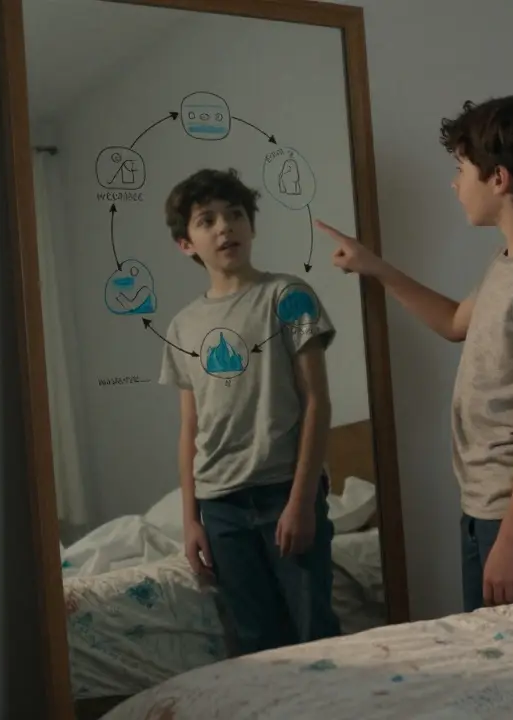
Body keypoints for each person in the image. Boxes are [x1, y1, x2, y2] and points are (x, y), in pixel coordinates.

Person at [315, 92, 513, 611]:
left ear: (499, 178)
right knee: (487, 646)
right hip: (490, 498)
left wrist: (512, 540)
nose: (454, 182)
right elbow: (453, 322)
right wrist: (374, 266)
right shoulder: (512, 261)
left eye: (461, 168)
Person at [158, 167, 341, 654]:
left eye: (235, 215)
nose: (225, 227)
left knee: (314, 634)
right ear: (187, 244)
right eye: (207, 220)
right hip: (221, 506)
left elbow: (317, 402)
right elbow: (189, 428)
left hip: (284, 490)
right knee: (257, 643)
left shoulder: (288, 296)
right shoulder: (181, 326)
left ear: (252, 226)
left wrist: (302, 501)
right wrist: (191, 517)